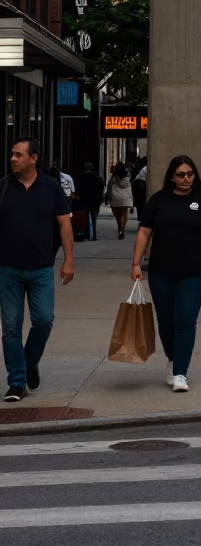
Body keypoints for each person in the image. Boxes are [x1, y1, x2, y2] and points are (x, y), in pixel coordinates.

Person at [131, 155, 201, 392]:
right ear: (172, 176)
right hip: (162, 271)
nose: (186, 179)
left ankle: (181, 372)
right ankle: (172, 360)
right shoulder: (158, 201)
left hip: (195, 272)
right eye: (181, 175)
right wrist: (135, 263)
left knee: (184, 318)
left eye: (190, 174)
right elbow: (144, 232)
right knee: (165, 321)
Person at [0, 137, 74, 402]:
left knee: (43, 320)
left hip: (41, 268)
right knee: (10, 327)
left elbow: (65, 225)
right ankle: (17, 382)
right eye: (12, 154)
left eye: (19, 154)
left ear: (33, 159)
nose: (13, 159)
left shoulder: (52, 187)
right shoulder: (4, 187)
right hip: (8, 269)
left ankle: (29, 362)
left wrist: (69, 260)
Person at [74, 162, 105, 241]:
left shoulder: (80, 177)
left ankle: (85, 234)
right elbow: (100, 189)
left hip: (84, 199)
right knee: (93, 218)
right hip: (94, 200)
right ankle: (93, 235)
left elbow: (77, 189)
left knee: (84, 217)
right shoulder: (96, 177)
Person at [106, 162, 133, 239]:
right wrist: (132, 200)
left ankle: (119, 227)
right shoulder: (127, 179)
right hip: (125, 199)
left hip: (115, 199)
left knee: (118, 216)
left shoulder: (113, 178)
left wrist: (109, 197)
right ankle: (122, 230)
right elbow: (130, 190)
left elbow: (109, 188)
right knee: (124, 215)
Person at [131, 157, 148, 226]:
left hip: (138, 187)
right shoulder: (145, 168)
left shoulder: (139, 168)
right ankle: (141, 220)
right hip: (141, 186)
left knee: (140, 205)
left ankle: (140, 219)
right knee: (142, 204)